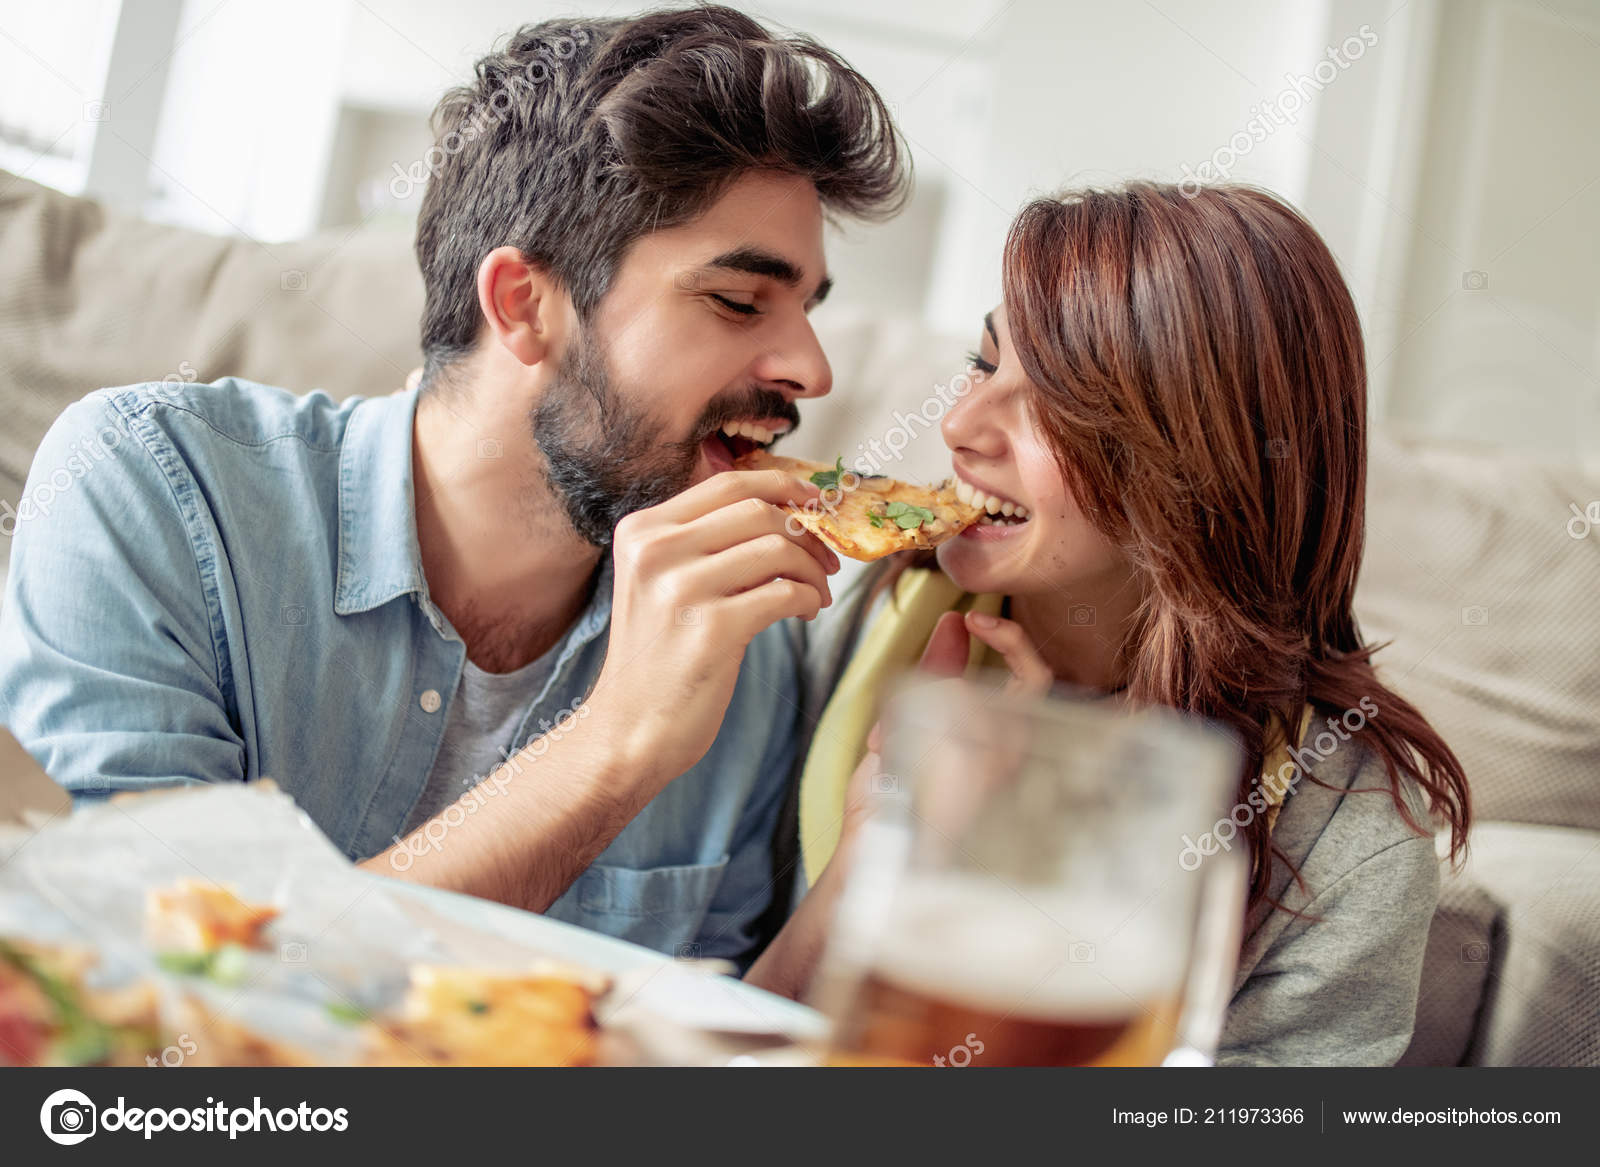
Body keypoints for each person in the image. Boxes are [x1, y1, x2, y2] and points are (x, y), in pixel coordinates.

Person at [0, 7, 909, 968]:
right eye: (738, 301)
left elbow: (703, 1035)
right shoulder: (150, 489)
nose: (813, 370)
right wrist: (614, 744)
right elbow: (173, 981)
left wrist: (868, 862)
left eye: (806, 310)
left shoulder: (745, 635)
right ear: (523, 304)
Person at [749, 182, 1472, 1064]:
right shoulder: (851, 619)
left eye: (1052, 399)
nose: (959, 425)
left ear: (1202, 462)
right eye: (983, 365)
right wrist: (876, 845)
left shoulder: (1342, 828)